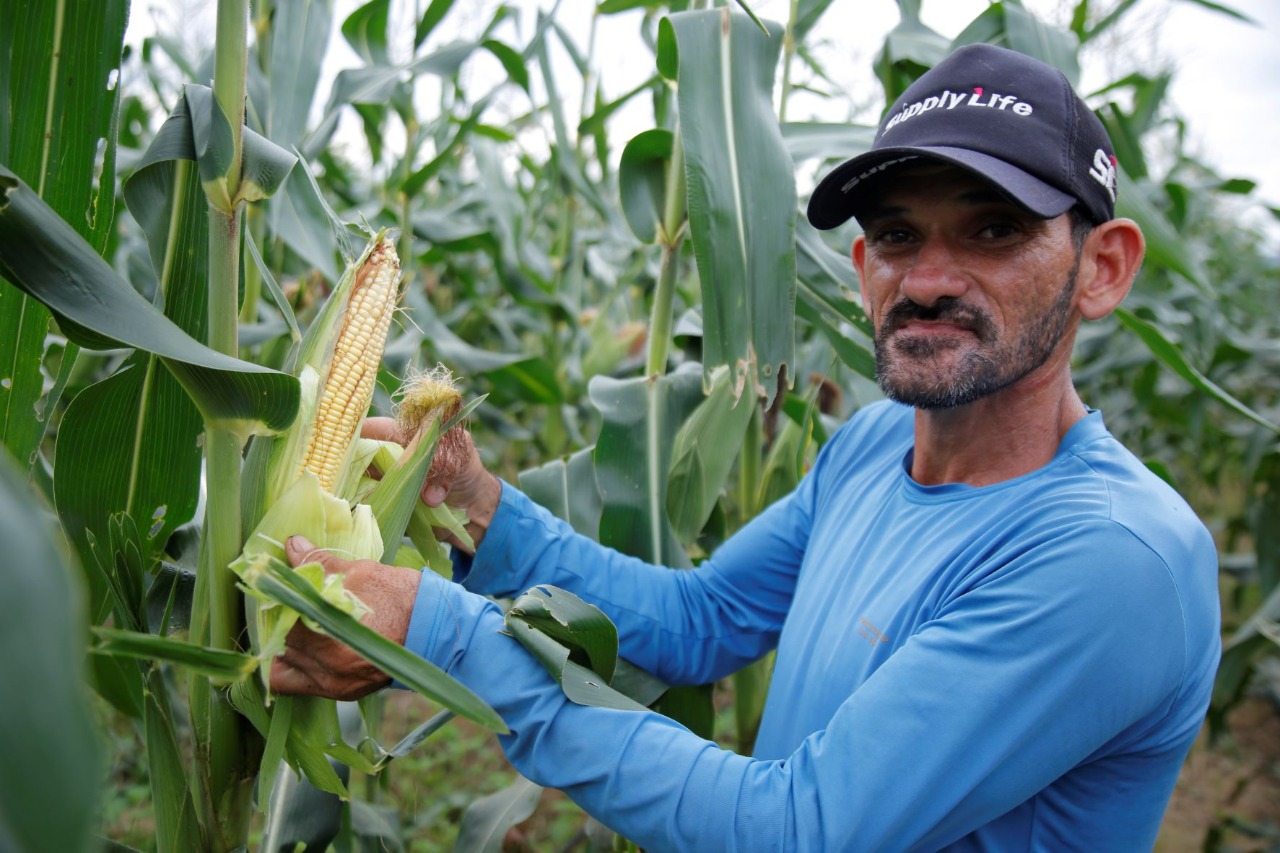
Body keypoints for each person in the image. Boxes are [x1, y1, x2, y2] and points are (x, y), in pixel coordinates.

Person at [273, 44, 1221, 850]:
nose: (927, 278)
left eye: (994, 230)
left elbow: (801, 828)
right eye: (896, 234)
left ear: (1103, 269)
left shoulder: (1111, 557)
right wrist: (478, 502)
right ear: (861, 270)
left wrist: (444, 630)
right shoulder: (874, 446)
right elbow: (703, 618)